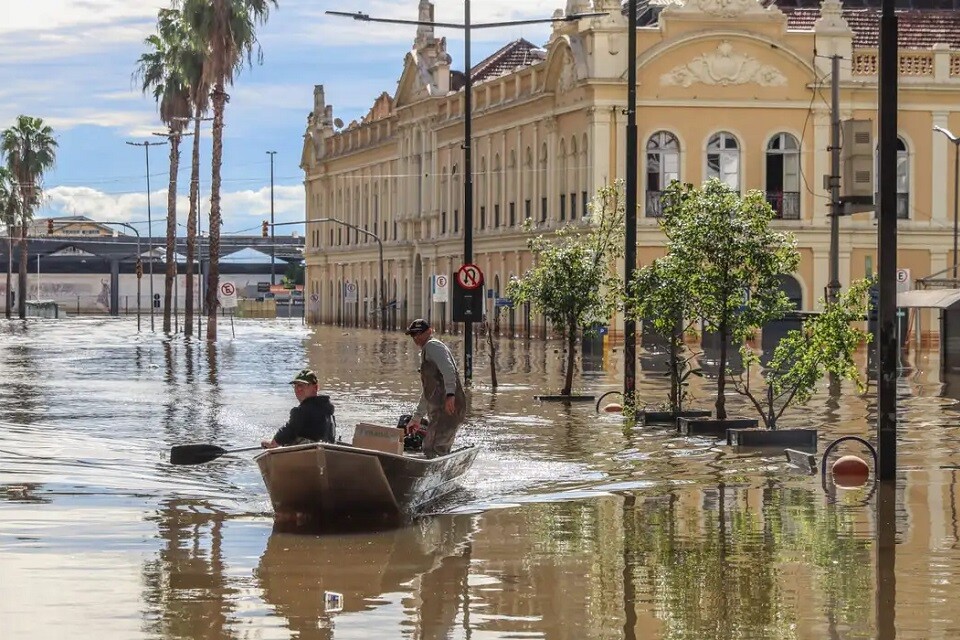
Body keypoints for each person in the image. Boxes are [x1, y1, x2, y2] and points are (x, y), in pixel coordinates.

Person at [404, 319, 466, 458]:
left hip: (449, 408)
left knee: (433, 448)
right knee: (431, 446)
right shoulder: (426, 352)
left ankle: (435, 475)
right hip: (439, 412)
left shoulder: (433, 346)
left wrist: (450, 395)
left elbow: (449, 370)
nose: (416, 338)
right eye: (413, 335)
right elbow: (428, 392)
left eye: (419, 334)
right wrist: (417, 417)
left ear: (429, 331)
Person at [261, 369, 336, 449]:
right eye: (296, 385)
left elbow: (289, 430)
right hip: (327, 451)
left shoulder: (301, 411)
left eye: (302, 385)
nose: (298, 389)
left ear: (315, 387)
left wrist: (273, 443)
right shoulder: (328, 411)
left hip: (309, 453)